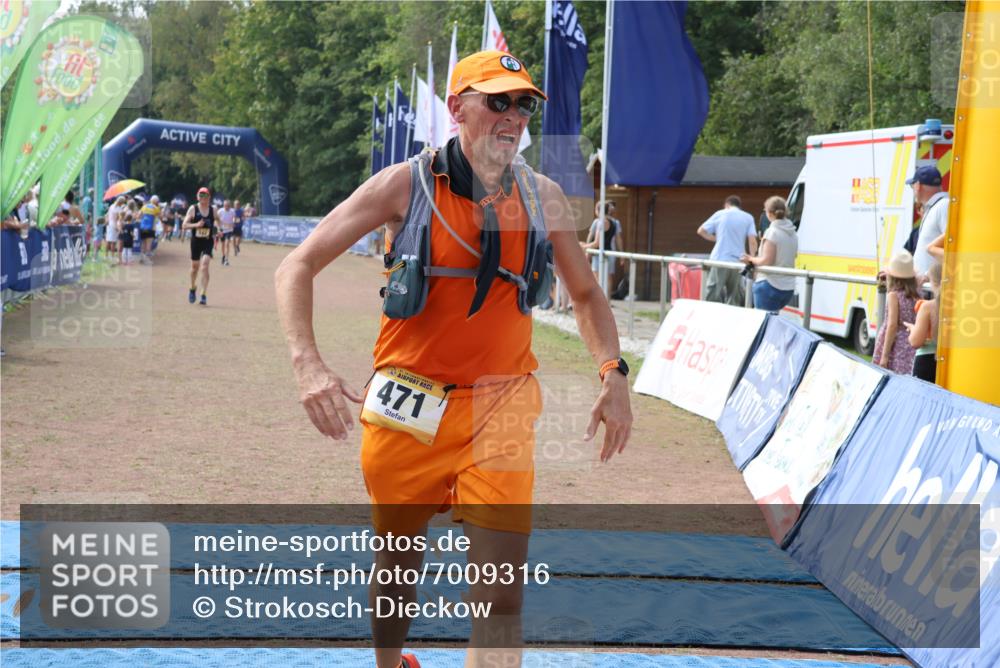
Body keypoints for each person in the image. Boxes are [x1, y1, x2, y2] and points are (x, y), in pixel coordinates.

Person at [275, 50, 633, 668]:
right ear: (457, 108)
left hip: (501, 405)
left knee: (500, 597)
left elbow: (586, 294)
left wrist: (614, 372)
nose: (513, 115)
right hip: (407, 402)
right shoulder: (403, 185)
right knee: (397, 566)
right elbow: (295, 265)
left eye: (523, 104)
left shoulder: (543, 197)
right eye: (497, 100)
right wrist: (308, 364)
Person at [697, 195, 758, 305]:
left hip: (719, 259)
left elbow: (701, 231)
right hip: (739, 261)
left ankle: (711, 318)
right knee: (735, 296)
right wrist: (752, 260)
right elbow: (752, 241)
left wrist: (716, 239)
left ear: (727, 205)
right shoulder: (748, 217)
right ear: (739, 206)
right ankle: (732, 320)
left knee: (713, 293)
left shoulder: (720, 214)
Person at [741, 195, 798, 312]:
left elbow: (767, 260)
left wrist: (751, 259)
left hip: (770, 285)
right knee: (773, 322)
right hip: (788, 288)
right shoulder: (793, 233)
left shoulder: (772, 233)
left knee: (762, 322)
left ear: (770, 213)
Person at [872, 251, 919, 374]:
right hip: (909, 345)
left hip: (894, 345)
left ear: (892, 276)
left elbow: (892, 325)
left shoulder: (893, 295)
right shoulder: (916, 295)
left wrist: (885, 356)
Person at [906, 165, 948, 279]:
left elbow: (951, 246)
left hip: (931, 288)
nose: (913, 190)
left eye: (912, 185)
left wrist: (928, 276)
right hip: (926, 286)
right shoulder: (936, 206)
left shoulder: (943, 205)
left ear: (918, 185)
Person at [906, 262, 941, 383]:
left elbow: (916, 341)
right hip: (950, 364)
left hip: (926, 362)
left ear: (933, 283)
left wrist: (912, 328)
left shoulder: (927, 307)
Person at [182, 187, 217, 305]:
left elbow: (218, 221)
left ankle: (203, 294)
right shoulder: (193, 209)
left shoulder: (213, 210)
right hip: (196, 241)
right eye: (201, 195)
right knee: (194, 268)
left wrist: (219, 230)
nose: (203, 198)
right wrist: (196, 224)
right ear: (197, 197)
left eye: (205, 195)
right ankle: (192, 288)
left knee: (205, 266)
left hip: (208, 241)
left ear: (209, 197)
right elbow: (184, 225)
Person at [583, 201, 622, 293]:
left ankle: (600, 301)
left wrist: (584, 246)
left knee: (597, 277)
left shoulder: (601, 222)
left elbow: (597, 242)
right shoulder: (614, 222)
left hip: (600, 253)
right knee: (608, 278)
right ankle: (606, 301)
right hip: (609, 252)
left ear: (598, 210)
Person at [138, 195, 161, 263]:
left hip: (142, 227)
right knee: (149, 244)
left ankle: (142, 258)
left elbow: (139, 216)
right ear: (156, 201)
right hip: (150, 228)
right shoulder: (156, 208)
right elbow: (160, 216)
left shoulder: (144, 206)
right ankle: (147, 260)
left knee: (143, 243)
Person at [106, 196, 125, 263]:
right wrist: (119, 228)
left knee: (109, 240)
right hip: (115, 225)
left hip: (109, 224)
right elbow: (118, 219)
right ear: (121, 202)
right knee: (114, 242)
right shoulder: (119, 209)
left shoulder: (111, 206)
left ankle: (107, 255)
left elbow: (108, 215)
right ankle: (113, 256)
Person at [217, 199, 236, 266]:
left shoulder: (232, 211)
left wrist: (233, 222)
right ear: (223, 205)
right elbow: (217, 220)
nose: (227, 207)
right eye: (225, 205)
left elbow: (234, 218)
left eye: (228, 206)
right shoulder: (220, 211)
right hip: (222, 230)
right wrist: (218, 229)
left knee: (227, 244)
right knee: (223, 245)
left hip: (229, 230)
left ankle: (226, 259)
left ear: (230, 206)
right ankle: (223, 256)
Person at [119, 201, 137, 265]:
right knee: (129, 250)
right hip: (129, 239)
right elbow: (132, 233)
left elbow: (122, 231)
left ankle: (124, 261)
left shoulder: (124, 225)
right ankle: (129, 261)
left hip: (125, 238)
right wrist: (134, 236)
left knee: (124, 249)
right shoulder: (131, 225)